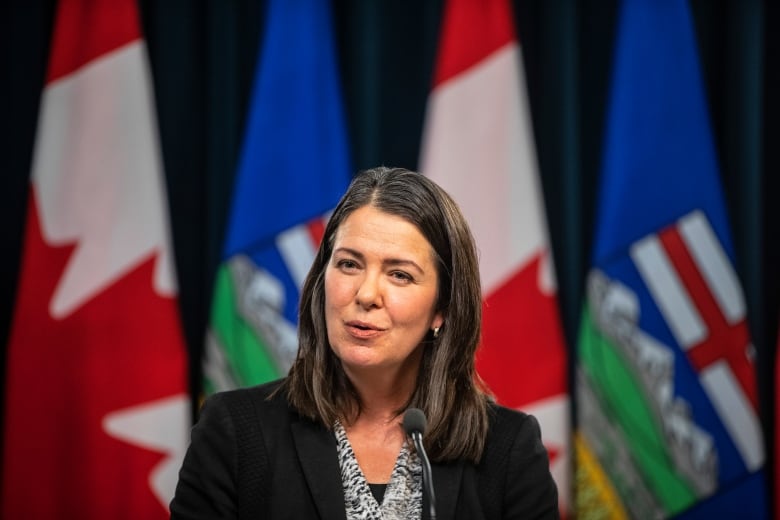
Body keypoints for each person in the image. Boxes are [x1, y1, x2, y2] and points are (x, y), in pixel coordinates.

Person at [170, 166, 559, 519]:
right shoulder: (235, 431)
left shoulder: (508, 449)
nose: (367, 294)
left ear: (442, 309)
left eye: (400, 275)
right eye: (349, 264)